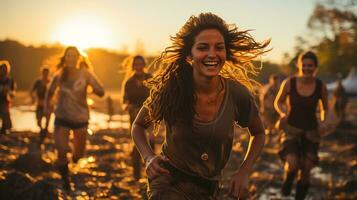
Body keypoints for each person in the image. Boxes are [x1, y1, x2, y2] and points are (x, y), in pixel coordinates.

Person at [131, 13, 268, 199]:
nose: (212, 54)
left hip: (210, 189)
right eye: (203, 47)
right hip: (169, 182)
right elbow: (138, 126)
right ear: (189, 55)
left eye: (219, 48)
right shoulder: (172, 90)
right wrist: (148, 157)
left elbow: (258, 133)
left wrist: (244, 172)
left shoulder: (237, 94)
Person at [45, 46, 105, 191]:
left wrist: (95, 89)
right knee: (61, 150)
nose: (71, 58)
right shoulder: (59, 74)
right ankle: (66, 181)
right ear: (65, 58)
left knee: (78, 155)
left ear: (78, 58)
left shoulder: (86, 74)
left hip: (80, 118)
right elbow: (50, 92)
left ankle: (73, 156)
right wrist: (47, 108)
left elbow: (101, 91)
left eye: (73, 56)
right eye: (68, 56)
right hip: (62, 116)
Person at [274, 51, 328, 200]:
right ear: (299, 66)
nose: (307, 68)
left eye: (310, 65)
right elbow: (278, 102)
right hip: (291, 129)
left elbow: (325, 108)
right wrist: (283, 112)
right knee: (292, 164)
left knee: (306, 169)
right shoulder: (289, 83)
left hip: (311, 132)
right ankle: (288, 179)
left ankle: (300, 197)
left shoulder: (320, 86)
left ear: (315, 67)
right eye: (304, 65)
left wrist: (323, 121)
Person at [121, 55, 153, 180]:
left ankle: (151, 173)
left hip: (150, 116)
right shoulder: (128, 82)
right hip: (135, 117)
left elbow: (157, 96)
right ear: (133, 66)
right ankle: (136, 175)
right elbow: (125, 101)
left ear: (144, 65)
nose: (138, 67)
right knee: (137, 144)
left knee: (150, 142)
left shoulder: (151, 79)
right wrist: (129, 107)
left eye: (141, 64)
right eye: (136, 64)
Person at [30, 67, 52, 145]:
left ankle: (44, 134)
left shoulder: (51, 81)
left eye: (47, 73)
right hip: (39, 104)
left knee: (47, 121)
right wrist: (33, 98)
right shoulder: (38, 82)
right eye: (44, 73)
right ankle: (42, 130)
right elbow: (31, 90)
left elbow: (56, 92)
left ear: (48, 74)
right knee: (38, 121)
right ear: (42, 73)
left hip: (48, 105)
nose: (45, 75)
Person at [0, 60, 16, 135]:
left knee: (5, 117)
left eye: (6, 69)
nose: (4, 71)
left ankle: (4, 131)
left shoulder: (10, 80)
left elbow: (13, 91)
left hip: (5, 101)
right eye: (2, 69)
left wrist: (10, 94)